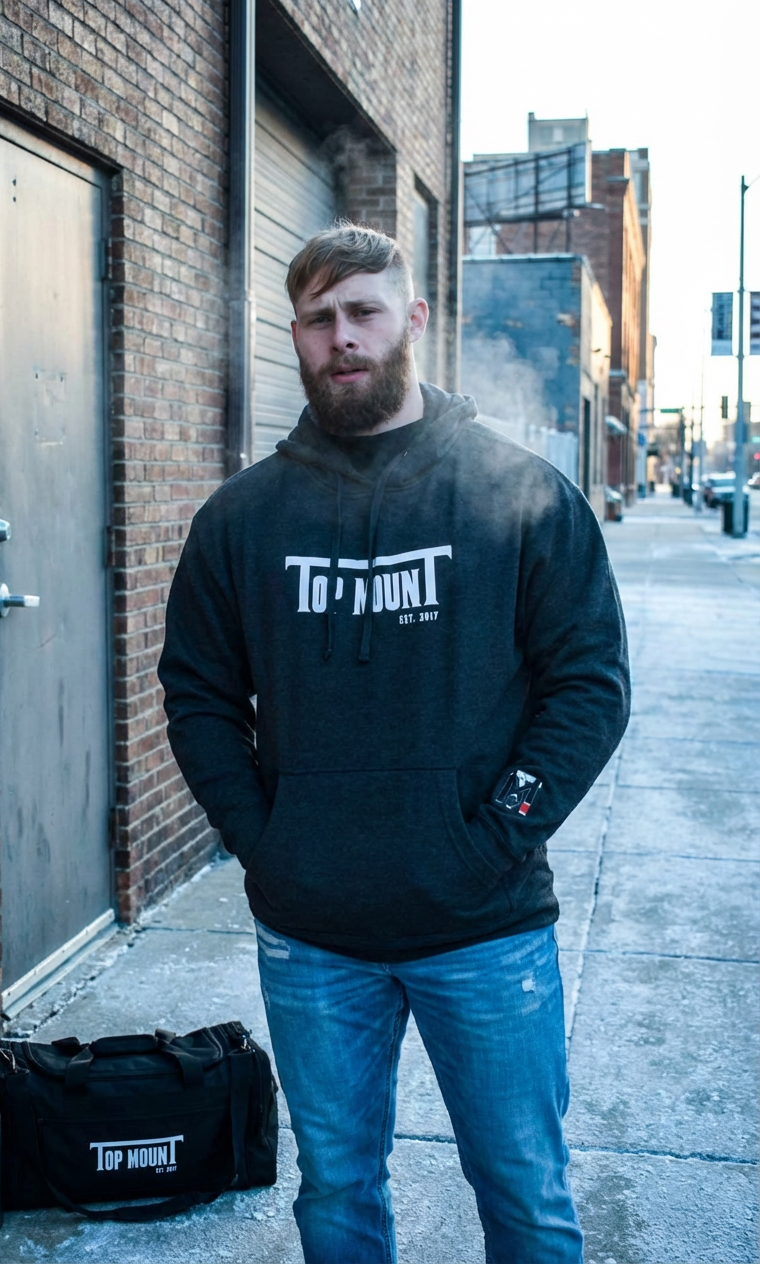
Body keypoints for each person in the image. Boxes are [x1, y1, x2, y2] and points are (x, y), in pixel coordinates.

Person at [158, 224, 630, 1263]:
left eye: (363, 310)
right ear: (296, 337)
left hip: (485, 925)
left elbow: (588, 684)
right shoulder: (243, 518)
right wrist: (262, 839)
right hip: (312, 932)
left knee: (523, 1197)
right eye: (319, 319)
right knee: (336, 1193)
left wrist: (494, 834)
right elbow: (195, 692)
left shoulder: (516, 497)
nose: (343, 337)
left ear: (412, 319)